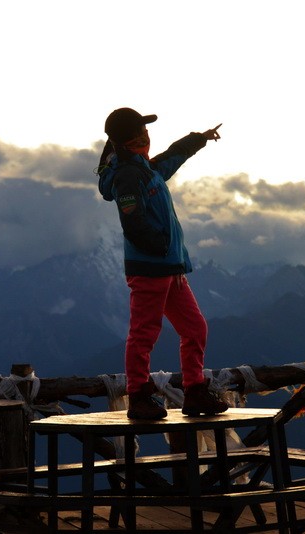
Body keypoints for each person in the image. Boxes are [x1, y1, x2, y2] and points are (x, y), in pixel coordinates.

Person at [97, 107, 228, 420]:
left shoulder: (145, 168)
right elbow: (133, 222)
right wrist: (161, 247)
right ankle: (139, 395)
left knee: (194, 328)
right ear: (131, 140)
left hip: (171, 269)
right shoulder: (129, 175)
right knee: (144, 334)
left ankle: (195, 391)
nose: (147, 135)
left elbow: (172, 157)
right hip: (150, 269)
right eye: (142, 131)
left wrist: (199, 139)